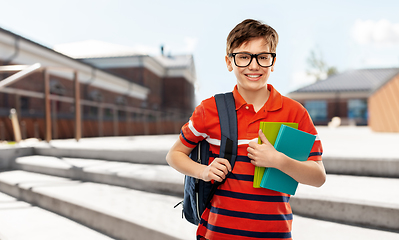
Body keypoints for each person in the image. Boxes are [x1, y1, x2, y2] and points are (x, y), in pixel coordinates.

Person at [166, 19, 326, 240]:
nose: (253, 66)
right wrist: (203, 172)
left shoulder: (294, 113)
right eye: (243, 57)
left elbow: (318, 177)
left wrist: (279, 160)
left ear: (273, 62)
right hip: (216, 234)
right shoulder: (209, 109)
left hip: (275, 235)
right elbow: (174, 155)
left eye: (262, 57)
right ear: (229, 62)